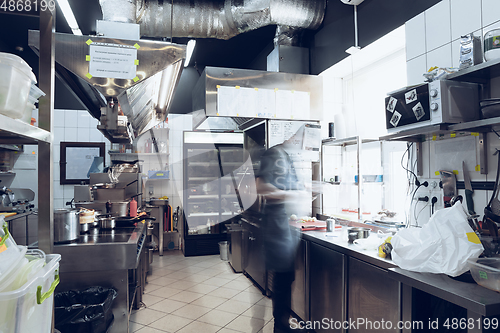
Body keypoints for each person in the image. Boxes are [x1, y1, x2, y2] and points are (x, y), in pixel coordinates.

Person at [255, 135, 308, 333]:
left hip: (284, 229)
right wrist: (291, 195)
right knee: (282, 281)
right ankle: (281, 327)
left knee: (286, 279)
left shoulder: (286, 155)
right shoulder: (274, 153)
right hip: (277, 230)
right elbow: (261, 186)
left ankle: (282, 325)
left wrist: (304, 189)